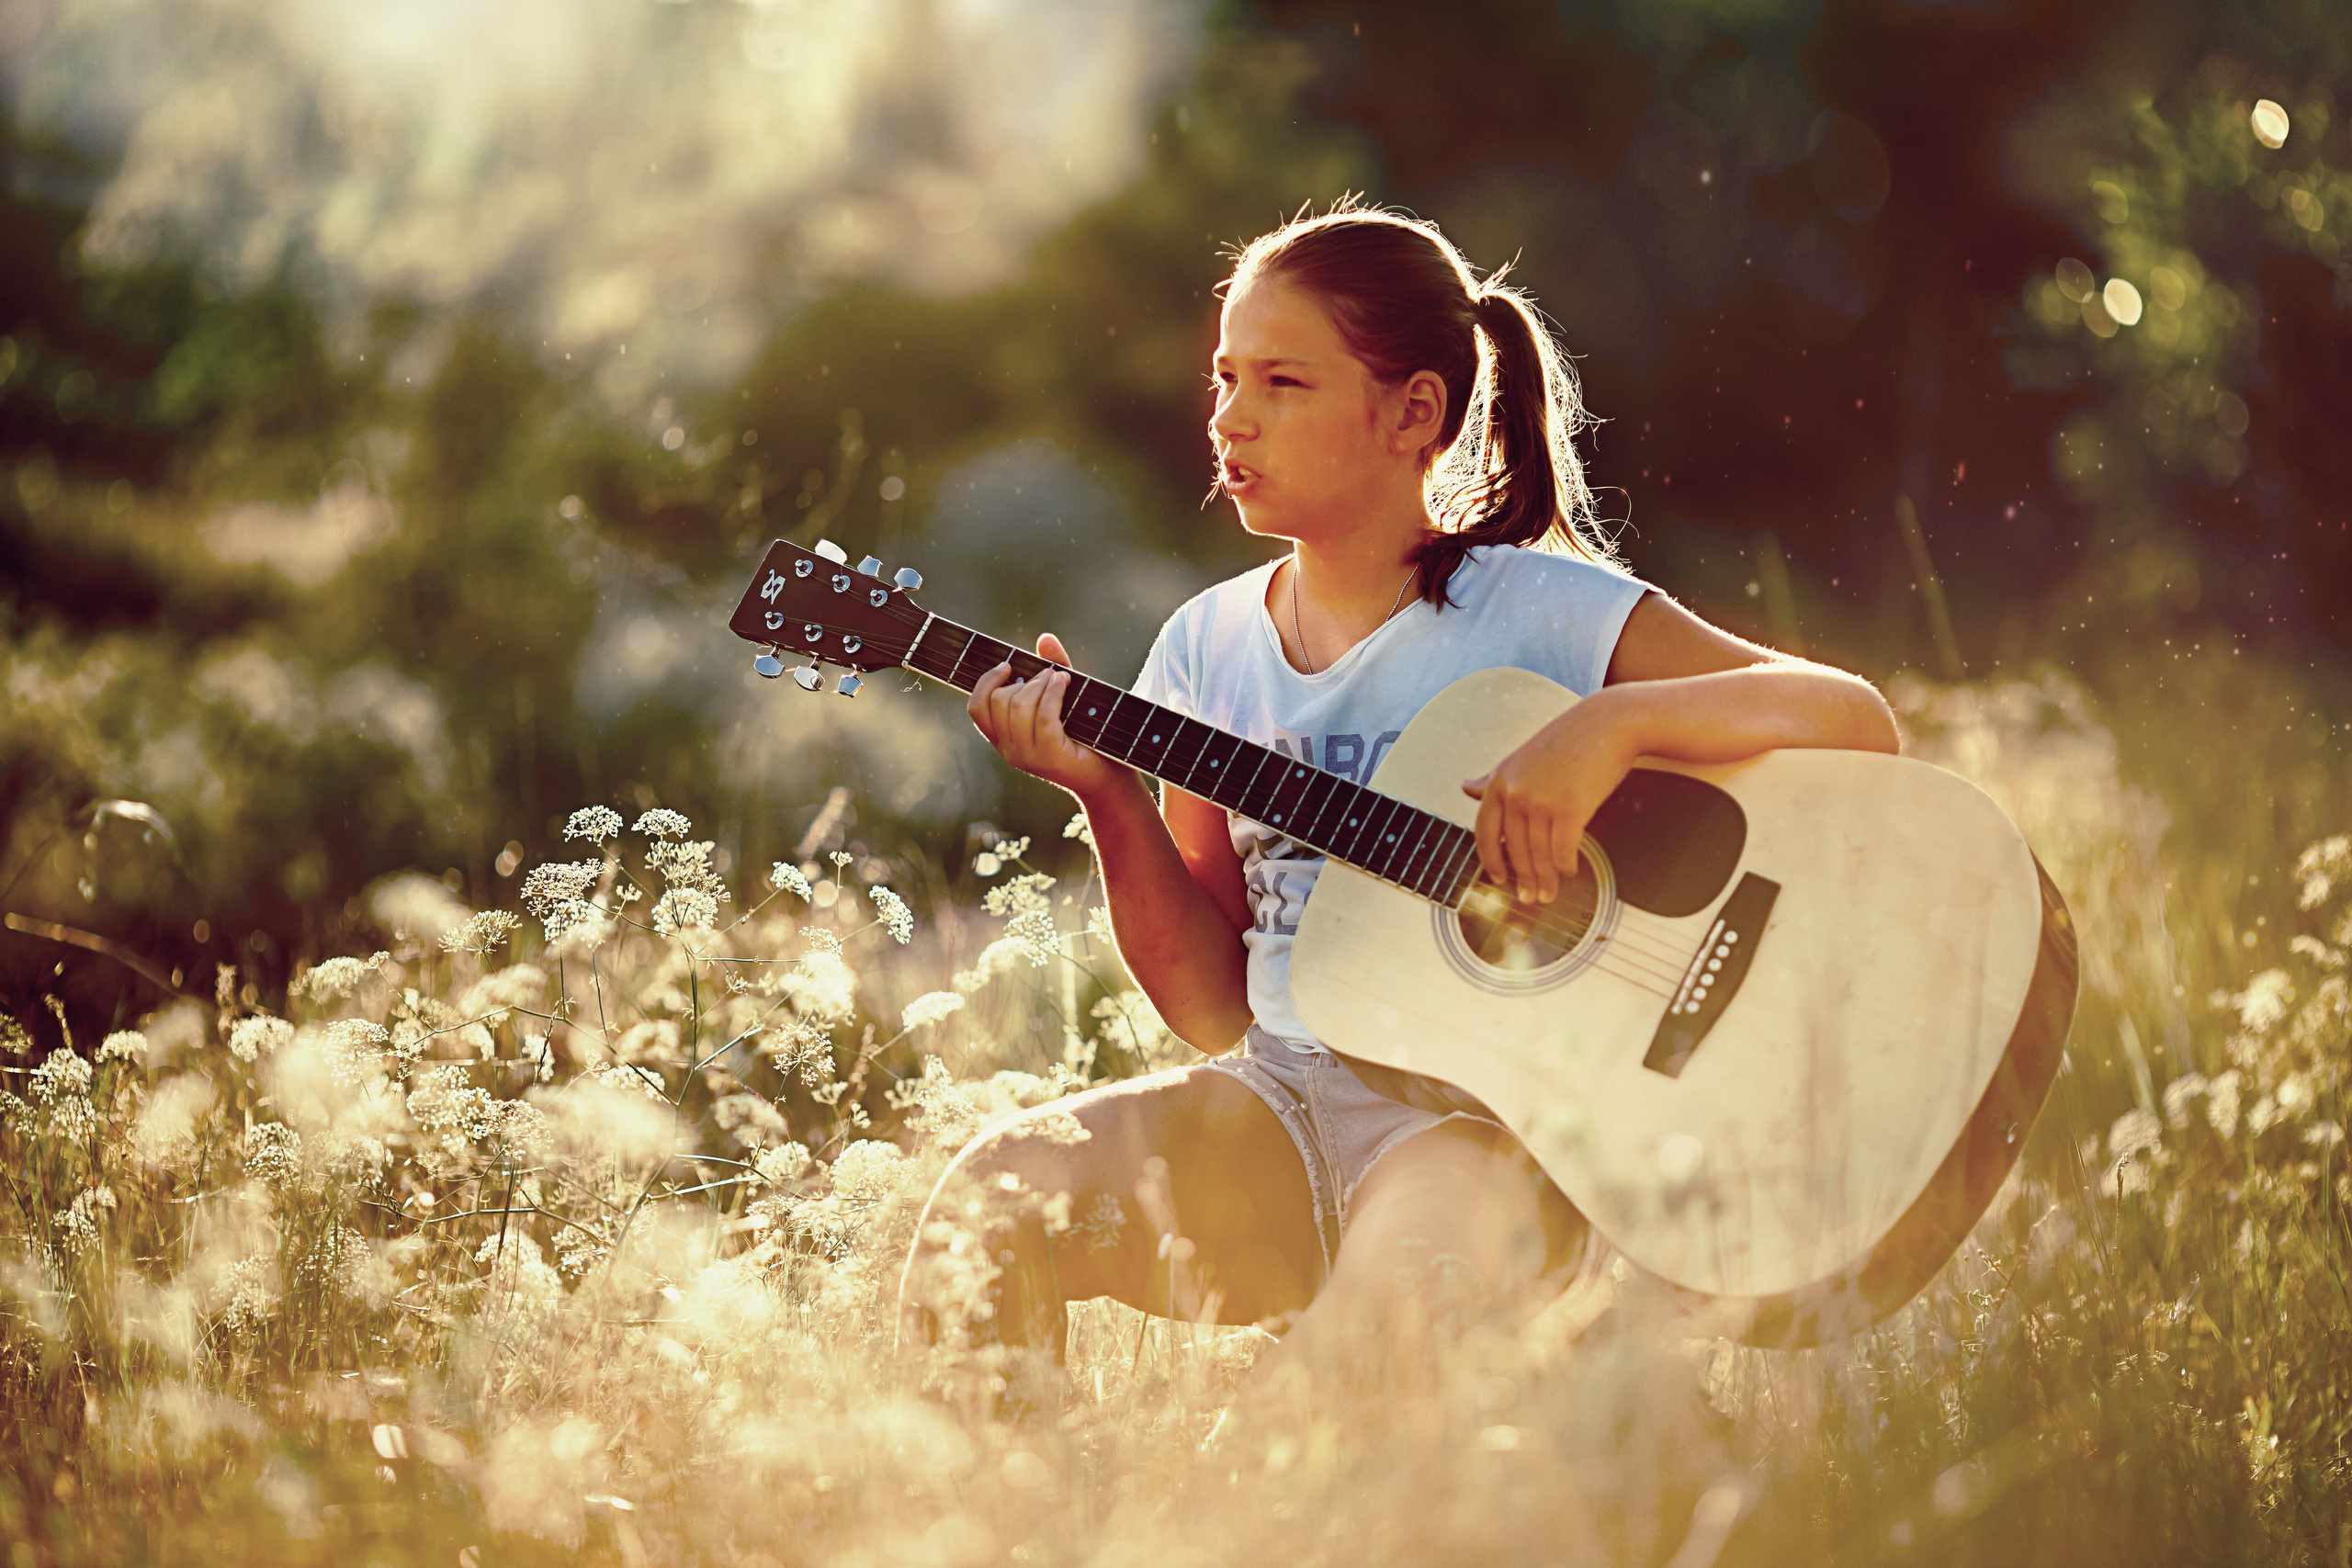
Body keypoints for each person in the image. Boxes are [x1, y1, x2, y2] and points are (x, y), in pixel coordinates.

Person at [895, 199, 1899, 1408]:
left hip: (1477, 1138)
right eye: (1223, 378)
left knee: (1314, 1423)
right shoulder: (1207, 649)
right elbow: (1213, 1006)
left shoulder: (1543, 615)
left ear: (1413, 411)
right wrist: (1107, 792)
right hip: (1274, 1105)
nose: (1230, 416)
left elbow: (1849, 716)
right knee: (989, 1206)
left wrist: (1610, 725)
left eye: (1282, 381)